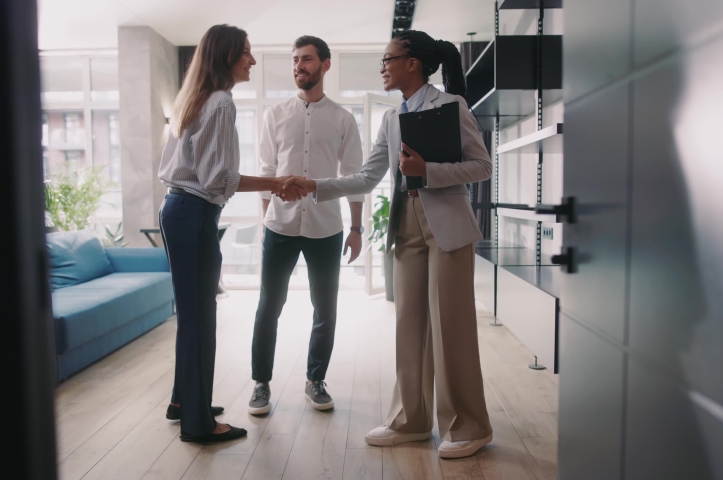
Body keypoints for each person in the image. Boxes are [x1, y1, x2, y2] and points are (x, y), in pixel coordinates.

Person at [286, 30, 494, 459]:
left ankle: (469, 426)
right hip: (408, 225)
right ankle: (411, 420)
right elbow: (366, 177)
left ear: (412, 63)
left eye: (388, 59)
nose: (382, 67)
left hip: (448, 227)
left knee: (450, 328)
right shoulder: (391, 117)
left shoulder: (451, 106)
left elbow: (482, 166)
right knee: (410, 327)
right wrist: (314, 185)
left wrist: (428, 169)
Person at [158, 24, 306, 443]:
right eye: (245, 52)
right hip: (194, 214)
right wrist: (276, 182)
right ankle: (199, 426)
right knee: (199, 319)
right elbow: (218, 177)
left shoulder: (193, 97)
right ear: (225, 55)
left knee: (191, 316)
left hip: (176, 209)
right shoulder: (221, 102)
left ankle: (184, 401)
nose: (252, 61)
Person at [247, 35, 364, 415]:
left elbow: (354, 177)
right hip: (278, 227)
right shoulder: (274, 115)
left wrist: (357, 227)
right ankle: (260, 383)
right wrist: (266, 218)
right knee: (269, 305)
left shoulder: (344, 120)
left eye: (308, 59)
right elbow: (265, 171)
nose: (300, 66)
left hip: (326, 228)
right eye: (296, 59)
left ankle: (315, 380)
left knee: (325, 308)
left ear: (325, 65)